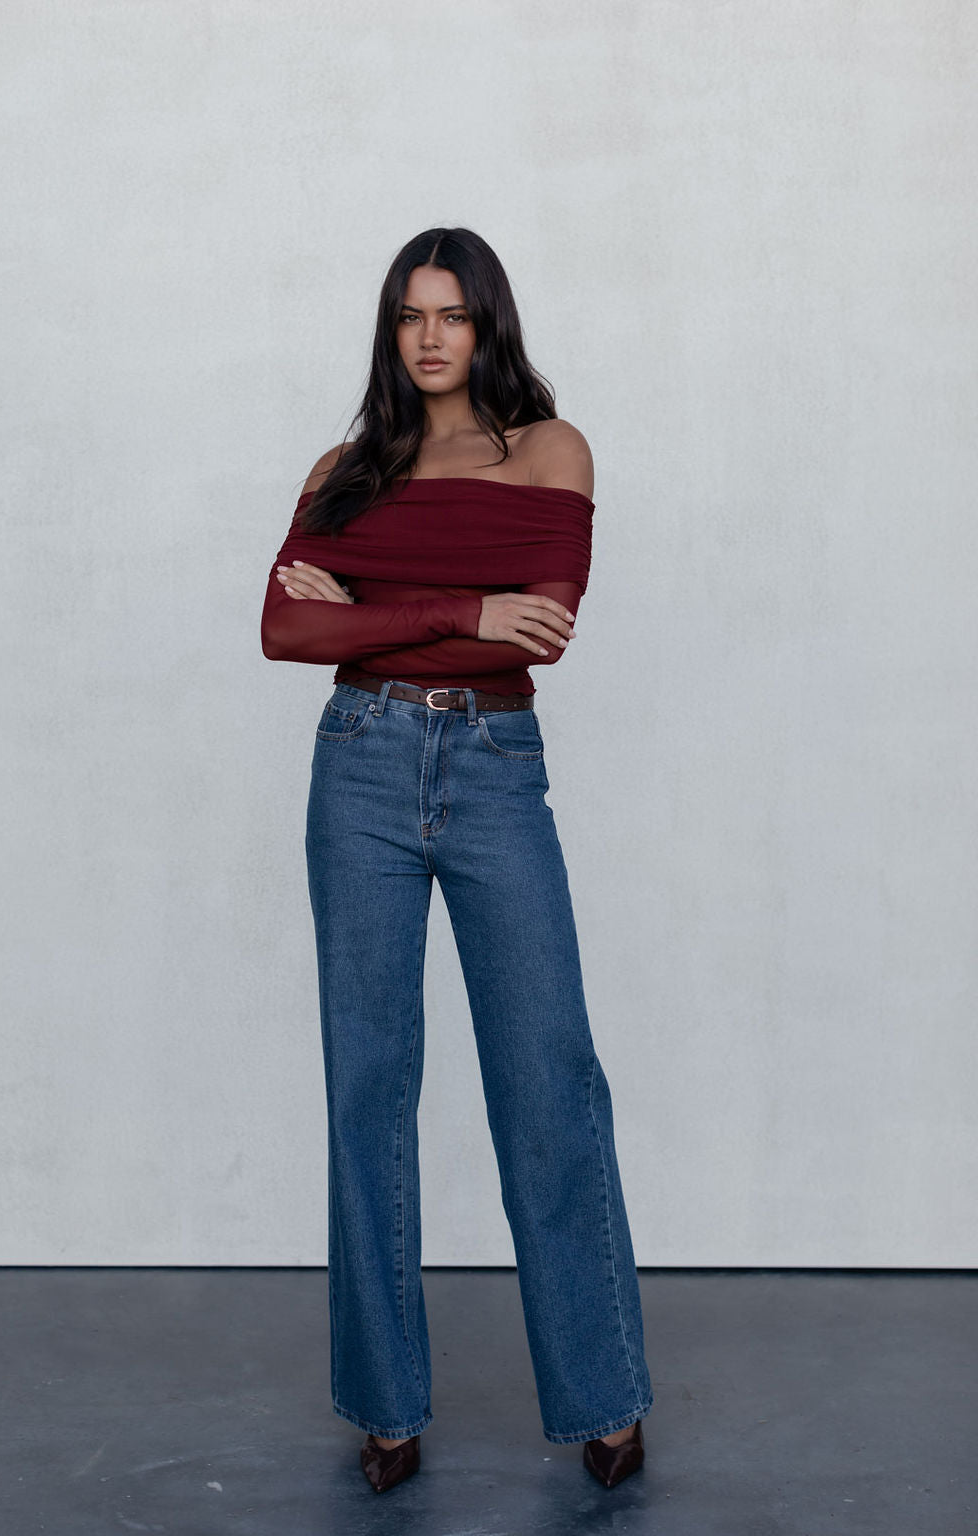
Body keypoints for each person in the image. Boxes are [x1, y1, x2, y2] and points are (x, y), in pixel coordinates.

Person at [261, 227, 653, 1492]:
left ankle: (600, 1397)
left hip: (494, 772)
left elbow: (539, 633)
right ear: (391, 332)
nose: (431, 339)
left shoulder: (551, 450)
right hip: (359, 763)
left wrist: (372, 608)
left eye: (454, 317)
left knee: (548, 1077)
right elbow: (280, 625)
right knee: (367, 1086)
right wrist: (454, 609)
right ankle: (385, 1407)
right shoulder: (346, 463)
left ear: (489, 326)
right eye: (410, 318)